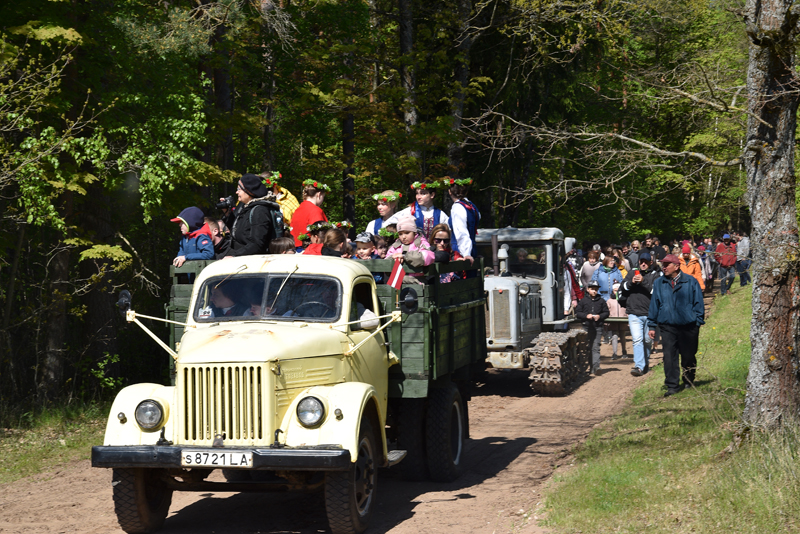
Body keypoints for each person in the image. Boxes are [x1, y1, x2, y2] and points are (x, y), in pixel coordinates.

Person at [648, 254, 705, 397]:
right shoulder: (659, 283)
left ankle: (688, 380)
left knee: (688, 356)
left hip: (688, 326)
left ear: (676, 266)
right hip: (667, 326)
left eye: (667, 264)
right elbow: (654, 304)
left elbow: (699, 302)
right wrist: (652, 325)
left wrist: (697, 321)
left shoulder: (690, 281)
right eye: (663, 264)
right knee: (669, 356)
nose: (664, 267)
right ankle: (672, 386)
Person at [620, 252, 661, 377]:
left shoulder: (655, 275)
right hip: (634, 312)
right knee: (637, 340)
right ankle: (639, 366)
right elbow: (623, 287)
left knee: (647, 340)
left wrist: (643, 282)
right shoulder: (632, 273)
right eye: (641, 261)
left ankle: (645, 362)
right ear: (638, 262)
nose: (643, 264)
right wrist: (631, 282)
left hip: (650, 313)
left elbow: (655, 291)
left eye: (646, 262)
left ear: (650, 263)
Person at [220, 174, 278, 257]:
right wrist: (227, 212)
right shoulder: (245, 207)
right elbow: (236, 229)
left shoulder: (260, 211)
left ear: (249, 191)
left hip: (253, 262)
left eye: (239, 189)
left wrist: (234, 255)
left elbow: (257, 244)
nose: (237, 192)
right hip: (243, 258)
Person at [575, 279, 609, 375]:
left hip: (598, 327)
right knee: (587, 347)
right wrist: (586, 316)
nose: (594, 291)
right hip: (586, 327)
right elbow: (578, 313)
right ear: (588, 289)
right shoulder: (583, 301)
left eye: (596, 289)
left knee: (596, 347)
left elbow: (606, 312)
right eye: (592, 289)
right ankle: (588, 367)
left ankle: (596, 366)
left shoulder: (601, 301)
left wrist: (600, 316)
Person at [444, 177, 480, 262]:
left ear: (450, 192)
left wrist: (466, 253)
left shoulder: (457, 207)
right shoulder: (472, 206)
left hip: (460, 253)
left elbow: (461, 232)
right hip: (472, 250)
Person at [290, 179, 330, 247]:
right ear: (319, 194)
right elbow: (319, 235)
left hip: (295, 248)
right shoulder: (316, 211)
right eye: (323, 197)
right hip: (310, 250)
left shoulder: (297, 210)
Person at [607, 282, 628, 360]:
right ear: (612, 291)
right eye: (615, 290)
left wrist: (627, 318)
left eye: (618, 290)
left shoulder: (625, 299)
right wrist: (607, 321)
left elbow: (628, 309)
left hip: (623, 320)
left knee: (622, 336)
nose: (616, 292)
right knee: (614, 337)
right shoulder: (609, 301)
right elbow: (607, 311)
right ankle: (615, 353)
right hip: (613, 321)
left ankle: (624, 351)